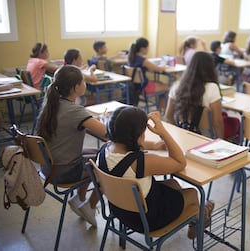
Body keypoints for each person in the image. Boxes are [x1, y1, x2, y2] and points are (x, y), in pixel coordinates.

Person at [98, 106, 214, 239]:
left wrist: (153, 145)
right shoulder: (141, 162)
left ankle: (199, 213)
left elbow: (128, 145)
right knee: (193, 193)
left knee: (173, 183)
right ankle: (199, 219)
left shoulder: (104, 150)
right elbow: (180, 162)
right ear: (138, 136)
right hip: (147, 220)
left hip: (120, 211)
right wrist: (163, 132)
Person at [36, 65, 107, 227]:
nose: (85, 83)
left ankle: (78, 198)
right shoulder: (75, 111)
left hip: (47, 167)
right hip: (63, 172)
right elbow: (107, 133)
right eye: (83, 80)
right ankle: (90, 205)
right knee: (107, 163)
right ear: (76, 87)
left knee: (98, 153)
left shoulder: (51, 105)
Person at [165, 51, 224, 139]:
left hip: (180, 137)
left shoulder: (177, 85)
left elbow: (168, 115)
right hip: (204, 138)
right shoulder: (212, 87)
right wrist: (221, 141)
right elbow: (217, 123)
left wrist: (179, 130)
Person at [127, 37, 169, 111]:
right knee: (166, 87)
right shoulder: (143, 60)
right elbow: (158, 68)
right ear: (143, 49)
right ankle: (160, 109)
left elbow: (150, 68)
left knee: (158, 83)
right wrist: (164, 66)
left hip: (134, 87)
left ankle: (159, 108)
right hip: (143, 87)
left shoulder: (131, 58)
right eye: (147, 47)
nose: (148, 49)